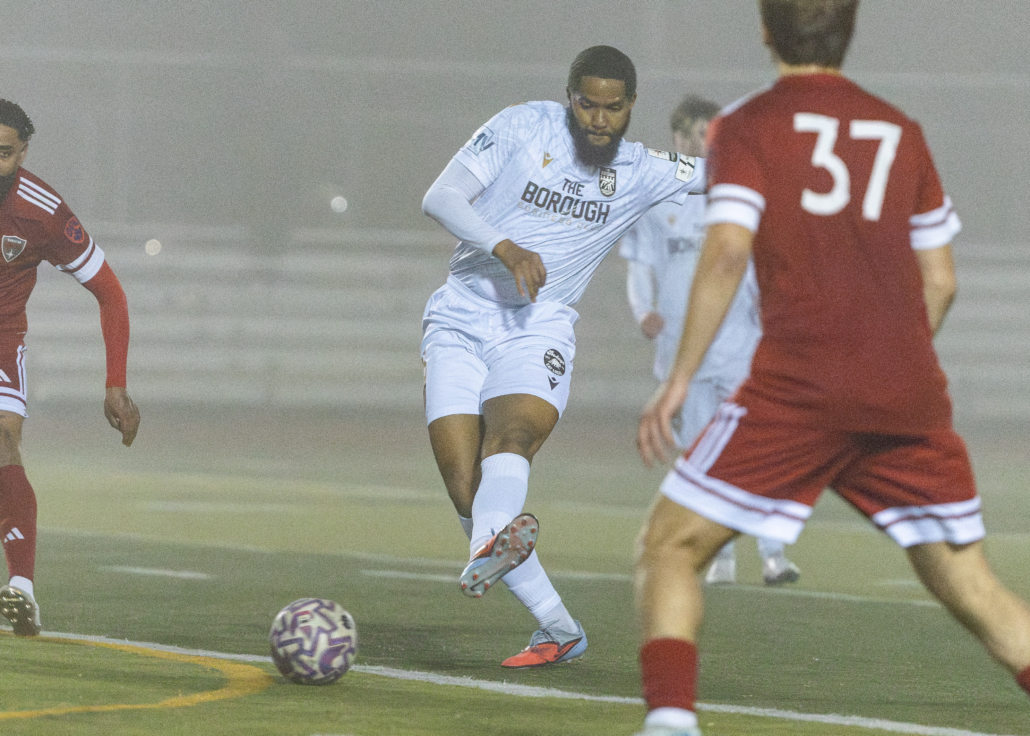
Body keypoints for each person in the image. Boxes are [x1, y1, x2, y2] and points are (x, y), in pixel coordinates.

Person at [631, 2, 1030, 734]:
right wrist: (889, 362)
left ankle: (670, 725)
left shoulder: (747, 126)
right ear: (849, 31)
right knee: (973, 587)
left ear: (764, 29)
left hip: (799, 389)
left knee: (669, 546)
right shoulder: (899, 129)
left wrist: (680, 376)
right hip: (905, 396)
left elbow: (724, 253)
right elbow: (940, 281)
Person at [421, 45, 707, 668]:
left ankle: (489, 549)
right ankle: (558, 626)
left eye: (613, 108)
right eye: (586, 104)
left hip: (540, 326)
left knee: (515, 437)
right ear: (568, 97)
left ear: (632, 107)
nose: (598, 120)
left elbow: (729, 177)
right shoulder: (522, 126)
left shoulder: (642, 169)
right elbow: (441, 197)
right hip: (461, 316)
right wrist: (505, 246)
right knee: (465, 488)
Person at [619, 95, 799, 586]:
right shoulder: (658, 199)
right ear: (676, 139)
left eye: (708, 135)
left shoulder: (738, 193)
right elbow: (641, 263)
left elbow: (763, 257)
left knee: (757, 447)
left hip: (741, 341)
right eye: (692, 135)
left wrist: (768, 299)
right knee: (700, 454)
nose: (701, 144)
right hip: (684, 351)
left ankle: (773, 553)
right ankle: (720, 558)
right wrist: (643, 310)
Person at [0, 99, 139, 637]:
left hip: (1, 341)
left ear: (23, 153)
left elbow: (110, 293)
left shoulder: (43, 211)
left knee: (4, 444)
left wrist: (115, 384)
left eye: (4, 153)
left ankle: (22, 590)